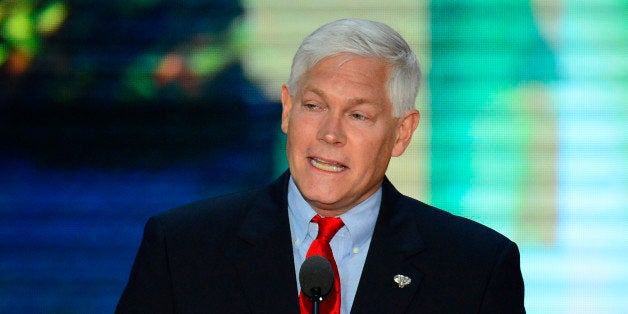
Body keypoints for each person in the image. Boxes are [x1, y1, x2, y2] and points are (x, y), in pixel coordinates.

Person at [116, 18, 525, 313]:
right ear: (287, 111)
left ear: (402, 132)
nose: (330, 133)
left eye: (358, 115)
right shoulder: (181, 248)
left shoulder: (476, 269)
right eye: (314, 106)